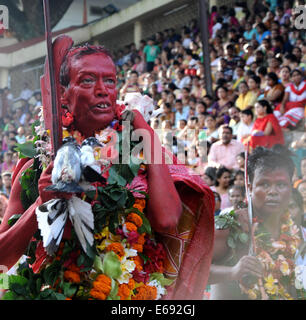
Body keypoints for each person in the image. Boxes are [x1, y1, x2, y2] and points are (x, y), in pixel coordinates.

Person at [0, 41, 214, 300]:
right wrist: (40, 205)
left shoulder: (141, 152)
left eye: (110, 81)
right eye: (88, 80)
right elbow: (2, 257)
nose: (103, 91)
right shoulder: (36, 164)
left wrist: (147, 134)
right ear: (62, 93)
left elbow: (167, 220)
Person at [209, 145, 304, 300]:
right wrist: (232, 272)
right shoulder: (229, 226)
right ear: (250, 187)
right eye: (264, 184)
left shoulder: (293, 229)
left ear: (290, 187)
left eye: (281, 185)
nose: (273, 192)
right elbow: (188, 272)